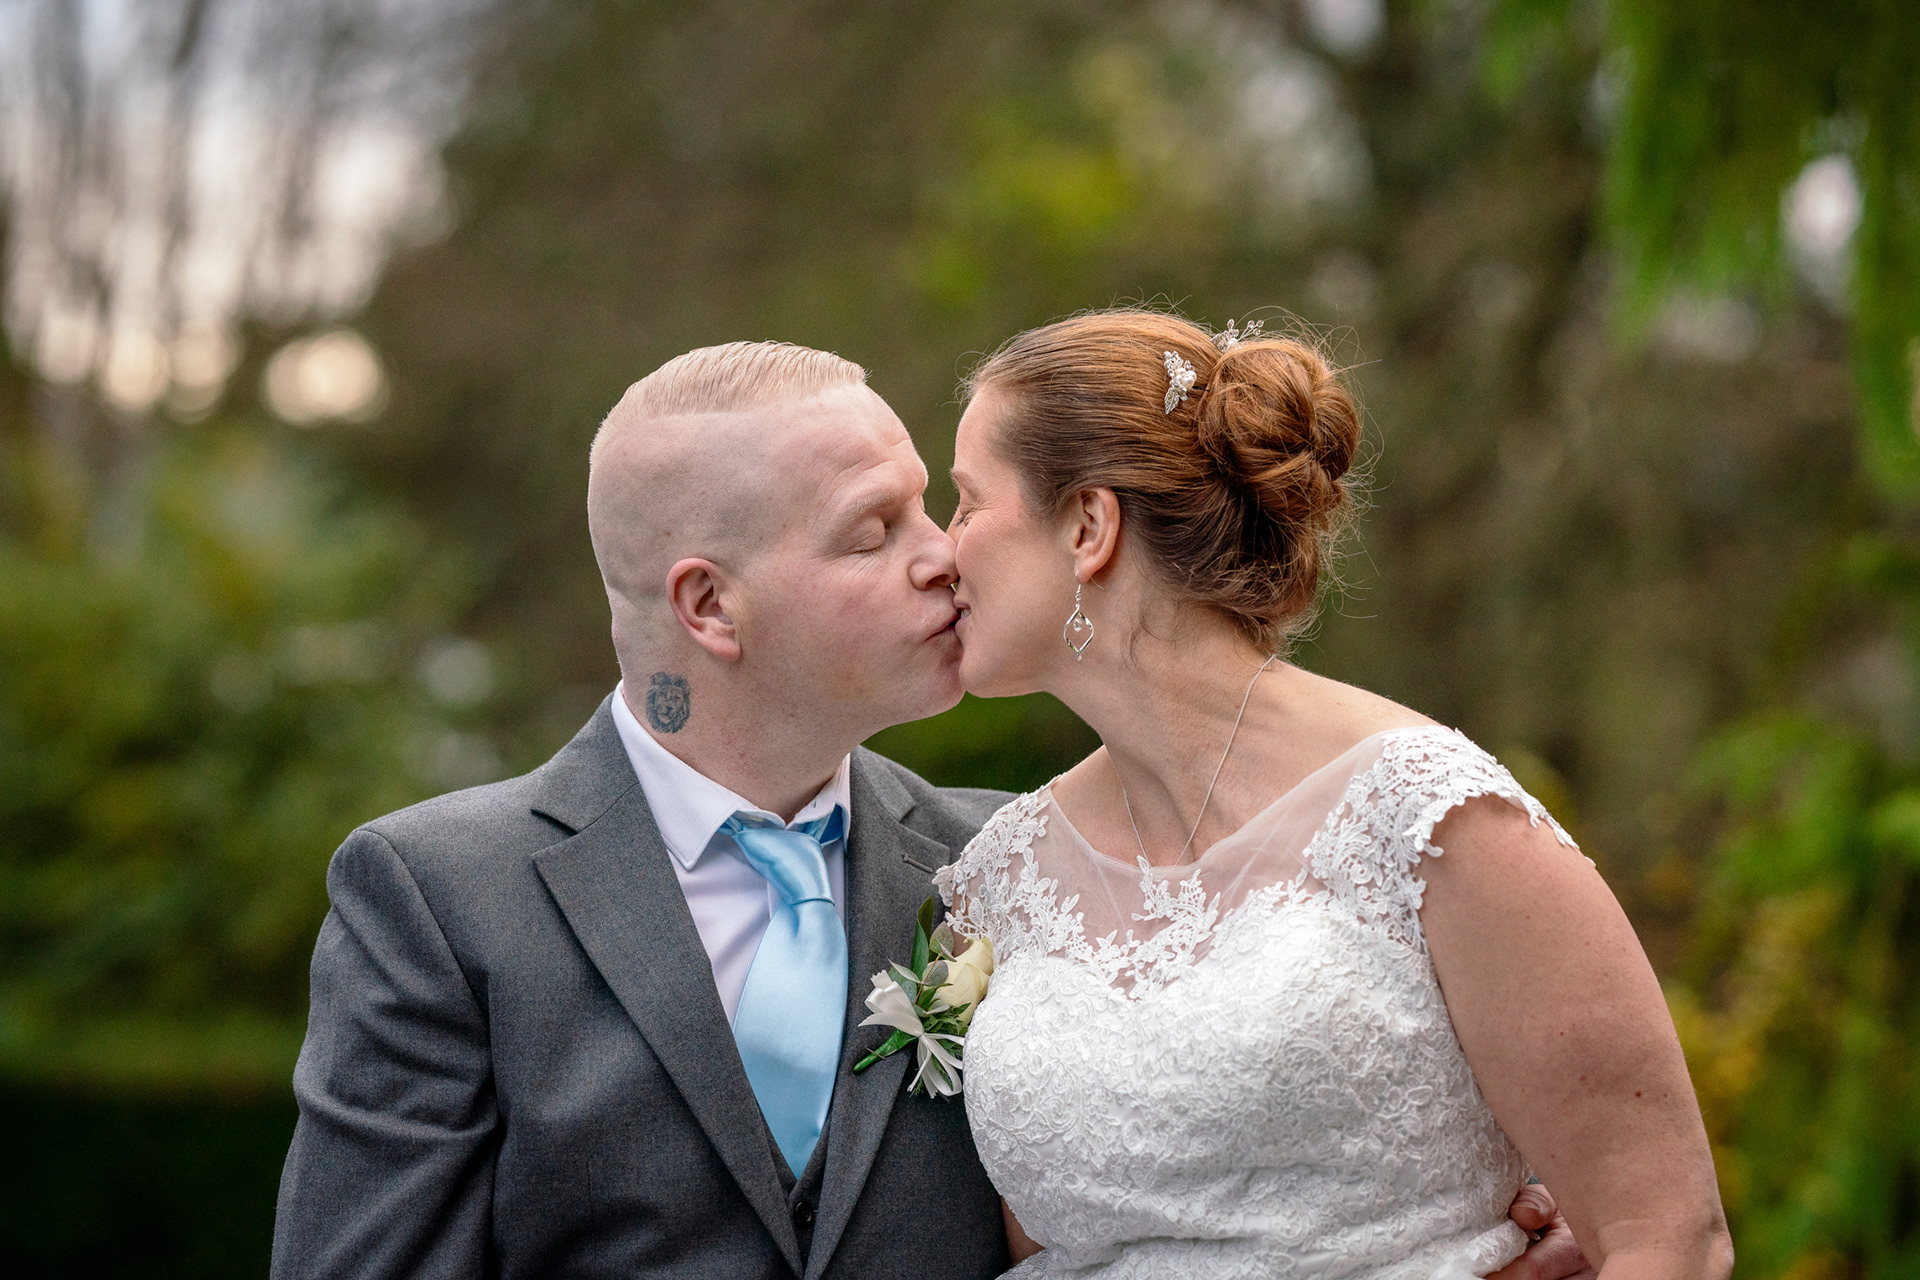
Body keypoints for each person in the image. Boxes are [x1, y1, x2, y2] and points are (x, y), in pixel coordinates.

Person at [271, 340, 1592, 1278]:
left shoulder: (1017, 866)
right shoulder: (443, 899)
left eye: (934, 506)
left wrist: (1471, 1212)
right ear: (709, 606)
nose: (944, 556)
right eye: (874, 531)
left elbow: (1194, 1160)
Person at [937, 309, 1734, 1279]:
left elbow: (1669, 1236)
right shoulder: (1003, 875)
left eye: (966, 503)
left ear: (1087, 526)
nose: (941, 550)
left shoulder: (1429, 814)